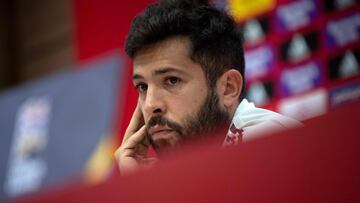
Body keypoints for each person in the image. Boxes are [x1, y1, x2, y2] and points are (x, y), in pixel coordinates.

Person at [115, 0, 302, 174]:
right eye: (142, 86)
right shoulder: (197, 170)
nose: (149, 105)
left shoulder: (267, 142)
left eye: (172, 80)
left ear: (228, 88)